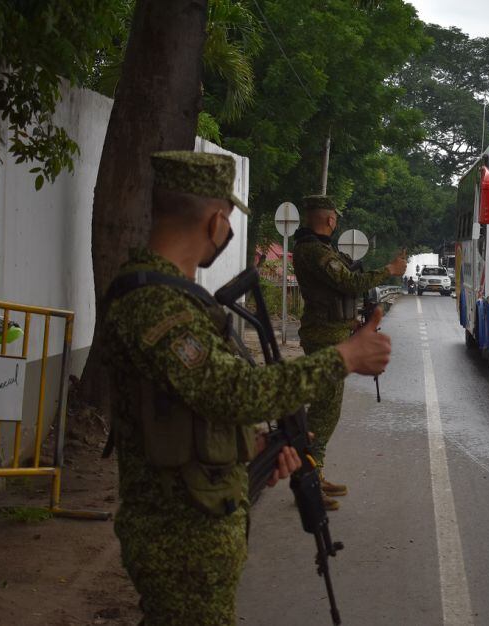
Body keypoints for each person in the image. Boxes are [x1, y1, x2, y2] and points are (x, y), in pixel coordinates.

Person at [103, 152, 391, 625]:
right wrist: (344, 358)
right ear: (217, 220)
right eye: (230, 219)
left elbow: (186, 406)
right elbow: (234, 389)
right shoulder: (156, 305)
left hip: (193, 516)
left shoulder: (169, 297)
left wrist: (246, 449)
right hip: (180, 534)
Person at [292, 195, 406, 509]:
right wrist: (389, 269)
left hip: (331, 332)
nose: (336, 222)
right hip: (323, 337)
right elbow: (350, 283)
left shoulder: (315, 248)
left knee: (325, 410)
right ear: (329, 219)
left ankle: (315, 472)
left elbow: (335, 291)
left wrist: (350, 321)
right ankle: (309, 479)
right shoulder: (314, 250)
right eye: (335, 218)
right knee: (324, 411)